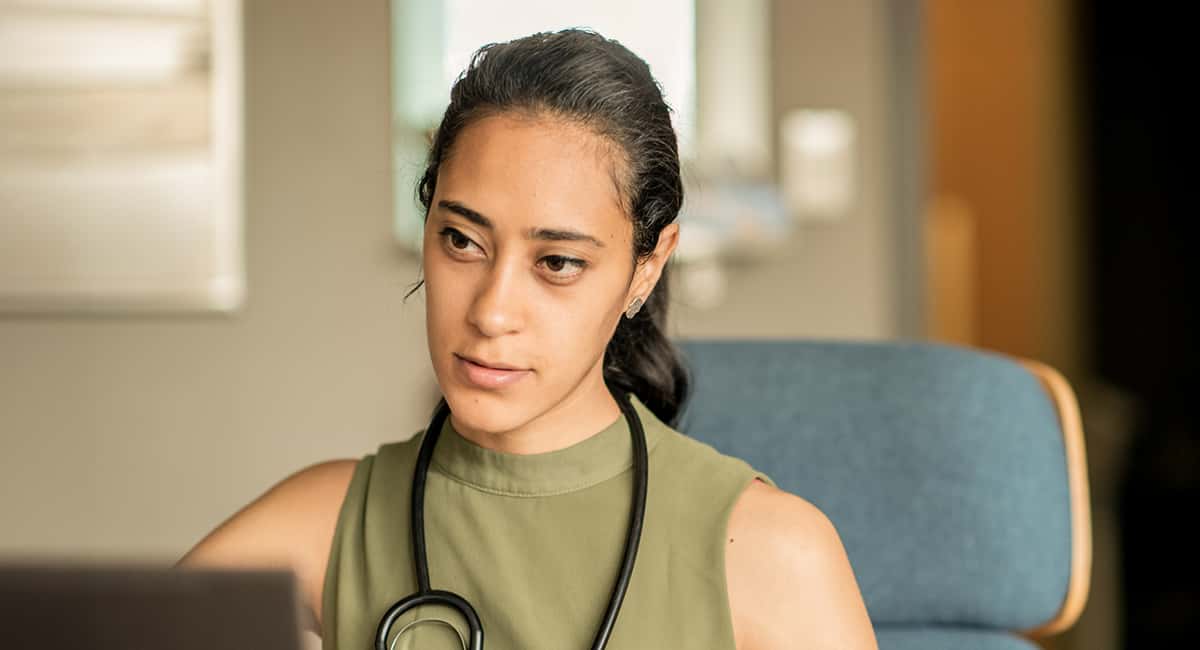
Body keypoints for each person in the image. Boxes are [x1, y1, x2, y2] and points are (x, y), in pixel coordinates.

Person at [179, 28, 877, 650]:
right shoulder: (324, 525)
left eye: (557, 263)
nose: (491, 310)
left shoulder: (772, 553)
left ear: (647, 266)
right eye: (461, 240)